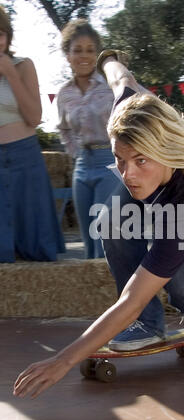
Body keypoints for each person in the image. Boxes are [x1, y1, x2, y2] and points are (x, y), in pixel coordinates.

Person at [13, 49, 184, 399]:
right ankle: (149, 325)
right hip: (169, 177)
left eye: (140, 160)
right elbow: (121, 77)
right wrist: (109, 58)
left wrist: (62, 361)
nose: (129, 174)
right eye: (120, 159)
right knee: (111, 223)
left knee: (181, 284)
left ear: (164, 152)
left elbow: (131, 299)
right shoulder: (131, 109)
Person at [0, 5, 64, 262]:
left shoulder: (23, 65)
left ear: (8, 35)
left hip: (25, 156)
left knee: (35, 243)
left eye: (1, 33)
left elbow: (34, 117)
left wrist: (10, 73)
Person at [57, 19, 121, 258]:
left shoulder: (111, 85)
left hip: (111, 162)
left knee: (104, 235)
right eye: (77, 50)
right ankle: (96, 295)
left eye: (90, 50)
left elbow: (130, 120)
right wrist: (76, 152)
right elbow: (63, 129)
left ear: (98, 54)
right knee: (88, 243)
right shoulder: (64, 94)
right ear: (67, 55)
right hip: (82, 166)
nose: (84, 56)